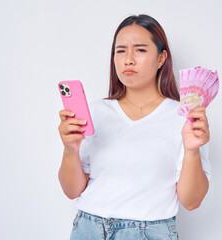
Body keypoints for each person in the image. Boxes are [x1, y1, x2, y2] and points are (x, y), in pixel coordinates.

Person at [58, 14, 211, 240]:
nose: (128, 59)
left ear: (161, 58)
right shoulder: (95, 112)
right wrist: (70, 150)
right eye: (120, 51)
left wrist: (191, 150)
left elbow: (192, 201)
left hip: (148, 233)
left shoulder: (183, 117)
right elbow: (72, 191)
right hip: (87, 229)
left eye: (140, 50)